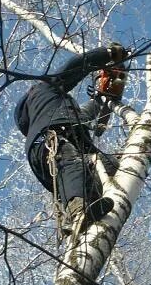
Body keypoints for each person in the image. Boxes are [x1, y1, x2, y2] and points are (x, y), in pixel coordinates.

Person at [13, 43, 128, 234]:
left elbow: (82, 115)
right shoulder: (42, 91)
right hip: (54, 143)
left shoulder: (54, 110)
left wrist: (101, 99)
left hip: (56, 157)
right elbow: (74, 67)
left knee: (117, 166)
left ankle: (85, 217)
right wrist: (107, 53)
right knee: (70, 160)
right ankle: (78, 211)